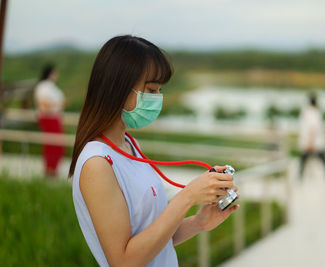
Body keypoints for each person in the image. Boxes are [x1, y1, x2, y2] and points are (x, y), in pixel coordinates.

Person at [68, 35, 240, 267]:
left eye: (159, 90)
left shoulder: (129, 145)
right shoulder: (97, 163)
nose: (157, 98)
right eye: (150, 89)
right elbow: (124, 261)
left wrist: (199, 222)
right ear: (117, 86)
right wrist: (188, 196)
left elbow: (153, 238)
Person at [34, 63, 65, 177]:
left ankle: (52, 169)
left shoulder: (50, 86)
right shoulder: (43, 86)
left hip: (54, 117)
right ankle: (50, 170)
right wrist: (57, 104)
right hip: (49, 117)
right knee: (54, 144)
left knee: (55, 145)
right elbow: (42, 104)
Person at [298, 92, 325, 181]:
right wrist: (311, 142)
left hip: (311, 142)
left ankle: (299, 178)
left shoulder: (308, 112)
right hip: (314, 142)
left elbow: (311, 128)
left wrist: (309, 142)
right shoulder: (314, 113)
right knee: (322, 160)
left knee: (305, 160)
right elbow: (312, 128)